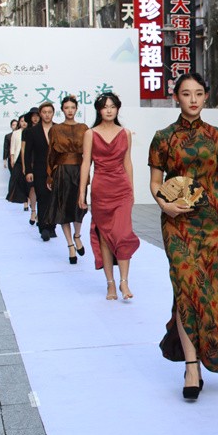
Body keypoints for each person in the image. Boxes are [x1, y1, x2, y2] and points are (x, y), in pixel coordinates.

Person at [148, 73, 218, 402]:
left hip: (210, 224)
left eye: (198, 93)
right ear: (176, 97)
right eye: (186, 94)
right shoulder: (163, 138)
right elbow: (155, 183)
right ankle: (192, 367)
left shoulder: (217, 136)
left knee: (206, 287)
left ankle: (208, 351)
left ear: (206, 97)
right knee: (185, 287)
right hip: (176, 223)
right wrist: (165, 204)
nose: (192, 99)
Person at [79, 92, 139, 300]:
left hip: (122, 189)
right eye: (105, 107)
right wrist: (82, 193)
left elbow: (127, 162)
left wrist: (131, 190)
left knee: (123, 234)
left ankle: (124, 282)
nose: (109, 110)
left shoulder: (125, 133)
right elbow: (86, 164)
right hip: (101, 189)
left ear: (118, 108)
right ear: (99, 110)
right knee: (104, 237)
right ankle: (110, 284)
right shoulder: (90, 134)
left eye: (113, 106)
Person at [43, 96, 88, 264]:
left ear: (76, 109)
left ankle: (77, 236)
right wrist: (49, 175)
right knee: (63, 209)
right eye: (66, 107)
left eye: (72, 107)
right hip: (61, 172)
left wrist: (87, 175)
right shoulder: (55, 129)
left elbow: (88, 154)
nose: (70, 110)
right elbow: (51, 153)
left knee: (79, 207)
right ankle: (70, 245)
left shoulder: (84, 129)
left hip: (79, 171)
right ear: (62, 109)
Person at [24, 102, 57, 241]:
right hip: (39, 169)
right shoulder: (32, 131)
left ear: (53, 113)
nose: (47, 115)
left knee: (54, 198)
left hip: (56, 169)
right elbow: (27, 153)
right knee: (42, 197)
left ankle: (52, 226)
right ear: (40, 114)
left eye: (50, 112)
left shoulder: (58, 129)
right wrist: (28, 171)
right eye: (44, 112)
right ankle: (43, 227)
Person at [6, 114, 31, 210]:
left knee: (28, 183)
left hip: (29, 159)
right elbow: (12, 147)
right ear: (19, 123)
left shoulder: (31, 132)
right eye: (22, 121)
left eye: (25, 121)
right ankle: (24, 202)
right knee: (19, 181)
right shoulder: (16, 133)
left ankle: (29, 201)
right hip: (18, 159)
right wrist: (12, 159)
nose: (24, 123)